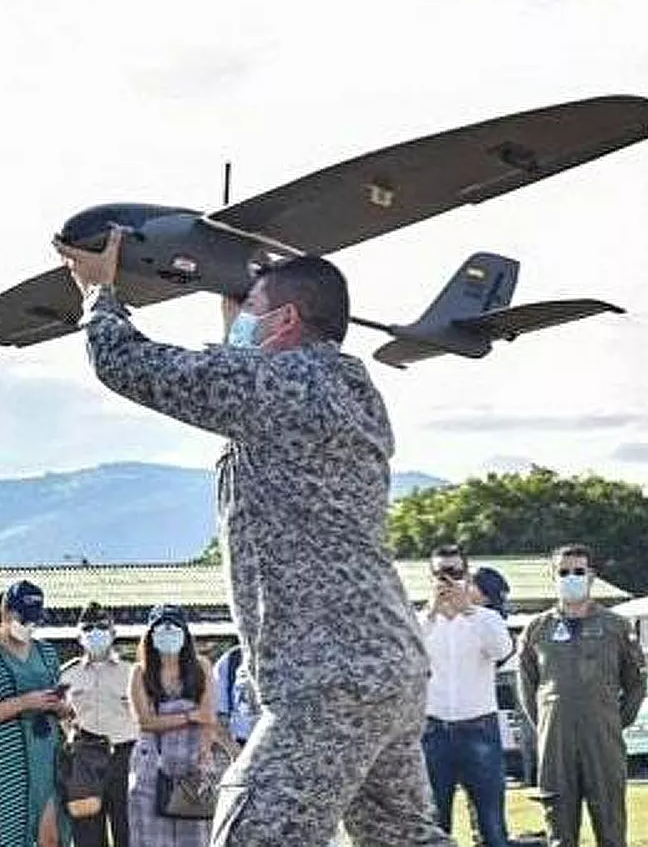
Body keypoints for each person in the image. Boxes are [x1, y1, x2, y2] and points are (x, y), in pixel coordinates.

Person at [56, 233, 455, 847]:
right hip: (390, 667)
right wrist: (232, 308)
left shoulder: (284, 387)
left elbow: (136, 367)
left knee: (252, 837)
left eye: (251, 310)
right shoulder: (351, 391)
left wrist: (99, 294)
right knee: (403, 838)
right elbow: (243, 388)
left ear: (286, 320)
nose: (241, 321)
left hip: (329, 678)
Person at [513, 544, 647, 847]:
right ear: (553, 576)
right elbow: (527, 685)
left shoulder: (616, 627)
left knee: (611, 829)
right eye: (563, 572)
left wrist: (612, 719)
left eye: (578, 571)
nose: (570, 577)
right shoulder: (537, 630)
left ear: (591, 576)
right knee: (559, 832)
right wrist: (549, 722)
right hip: (556, 745)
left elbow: (636, 683)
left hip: (603, 741)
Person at [0, 580, 69, 847]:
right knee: (8, 837)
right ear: (7, 612)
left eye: (34, 619)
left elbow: (63, 708)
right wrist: (26, 702)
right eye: (24, 617)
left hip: (47, 756)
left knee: (51, 839)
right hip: (5, 763)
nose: (29, 625)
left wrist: (59, 705)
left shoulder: (46, 652)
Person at [418, 545, 513, 847]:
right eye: (440, 574)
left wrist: (468, 611)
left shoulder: (486, 618)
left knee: (492, 827)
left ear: (467, 576)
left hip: (479, 730)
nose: (448, 581)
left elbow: (502, 650)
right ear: (430, 578)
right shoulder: (418, 622)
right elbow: (407, 657)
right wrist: (431, 614)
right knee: (434, 825)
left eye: (455, 573)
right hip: (433, 732)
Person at [127, 605, 218, 847]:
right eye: (161, 628)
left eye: (175, 627)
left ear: (185, 634)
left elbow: (208, 716)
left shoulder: (201, 667)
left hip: (193, 767)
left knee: (196, 838)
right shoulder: (139, 672)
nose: (168, 633)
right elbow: (145, 722)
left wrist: (205, 753)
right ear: (150, 635)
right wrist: (190, 717)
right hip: (151, 769)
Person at [59, 602, 134, 847]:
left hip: (125, 757)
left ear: (113, 633)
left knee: (128, 832)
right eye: (88, 627)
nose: (95, 632)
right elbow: (59, 717)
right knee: (87, 836)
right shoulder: (66, 675)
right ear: (79, 635)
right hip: (84, 760)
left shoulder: (132, 673)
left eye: (102, 626)